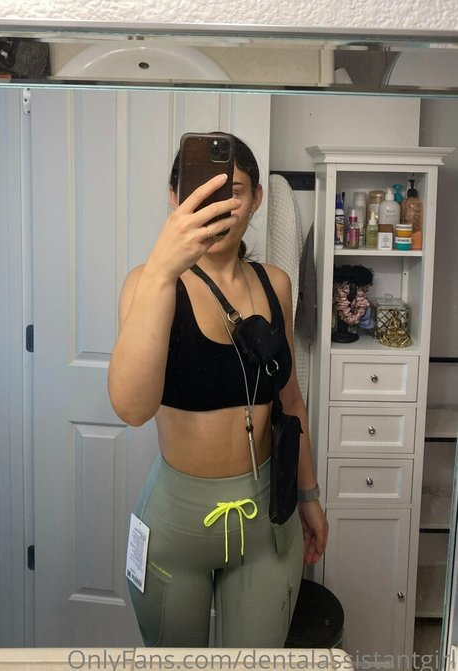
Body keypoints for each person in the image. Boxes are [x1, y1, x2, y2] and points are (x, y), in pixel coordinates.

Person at [108, 132, 328, 648]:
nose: (219, 206)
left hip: (269, 520)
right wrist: (163, 268)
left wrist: (309, 495)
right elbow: (132, 408)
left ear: (256, 200)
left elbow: (291, 401)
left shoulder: (275, 284)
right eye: (201, 192)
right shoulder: (147, 283)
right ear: (175, 198)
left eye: (234, 191)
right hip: (176, 525)